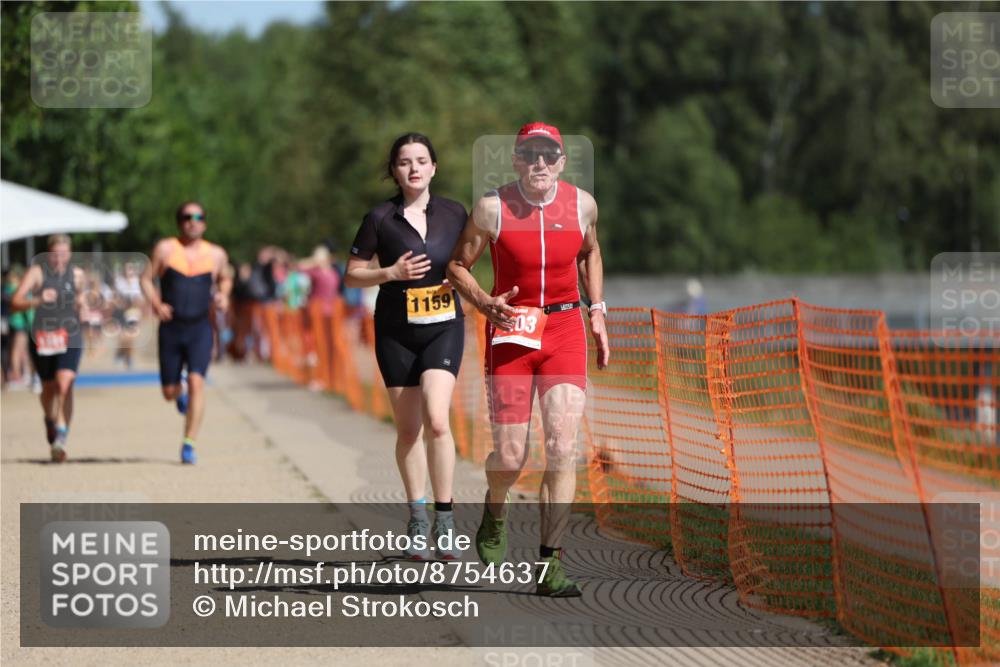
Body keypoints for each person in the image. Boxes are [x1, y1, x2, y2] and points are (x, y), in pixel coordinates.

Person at [447, 122, 610, 596]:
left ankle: (550, 567)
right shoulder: (492, 208)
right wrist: (483, 301)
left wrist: (596, 309)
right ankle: (495, 506)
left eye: (549, 155)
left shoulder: (583, 205)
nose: (539, 163)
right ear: (517, 161)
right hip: (512, 333)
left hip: (563, 330)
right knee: (512, 455)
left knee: (562, 447)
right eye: (530, 155)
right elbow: (457, 265)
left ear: (561, 161)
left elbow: (591, 252)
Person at [344, 133, 467, 560]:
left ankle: (446, 519)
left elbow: (468, 258)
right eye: (403, 162)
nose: (413, 168)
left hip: (443, 326)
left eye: (421, 160)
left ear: (434, 166)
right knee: (409, 429)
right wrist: (391, 273)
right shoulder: (379, 218)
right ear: (394, 171)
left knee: (437, 419)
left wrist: (466, 280)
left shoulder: (455, 212)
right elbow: (352, 274)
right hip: (396, 331)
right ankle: (417, 517)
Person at [141, 201, 230, 464]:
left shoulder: (216, 254)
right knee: (169, 392)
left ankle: (189, 443)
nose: (193, 221)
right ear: (179, 222)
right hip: (171, 327)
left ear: (205, 222)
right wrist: (156, 304)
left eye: (198, 216)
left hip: (200, 328)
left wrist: (224, 295)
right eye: (186, 217)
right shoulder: (166, 249)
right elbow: (146, 278)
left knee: (196, 382)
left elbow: (226, 277)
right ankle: (178, 396)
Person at [11, 235, 87, 462]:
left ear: (70, 254)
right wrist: (38, 300)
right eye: (55, 254)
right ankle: (50, 419)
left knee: (65, 384)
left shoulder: (77, 275)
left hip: (69, 335)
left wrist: (82, 305)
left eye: (64, 254)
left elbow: (81, 298)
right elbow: (15, 302)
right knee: (48, 388)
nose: (59, 259)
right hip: (43, 336)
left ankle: (61, 437)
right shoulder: (37, 273)